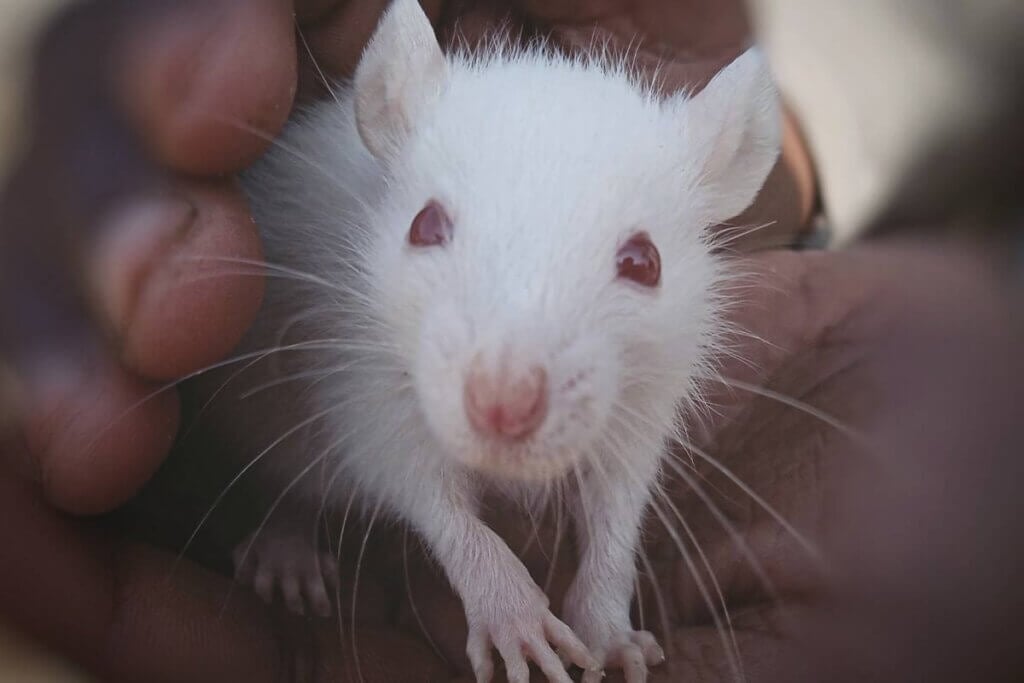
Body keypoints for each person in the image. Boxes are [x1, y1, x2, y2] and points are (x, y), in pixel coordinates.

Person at [0, 1, 1021, 681]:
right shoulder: (403, 147)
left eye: (634, 265)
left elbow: (626, 459)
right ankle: (277, 521)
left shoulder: (682, 214)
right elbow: (372, 425)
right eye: (433, 233)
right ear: (390, 111)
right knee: (242, 366)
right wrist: (485, 569)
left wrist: (602, 594)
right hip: (278, 437)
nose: (506, 389)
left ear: (727, 169)